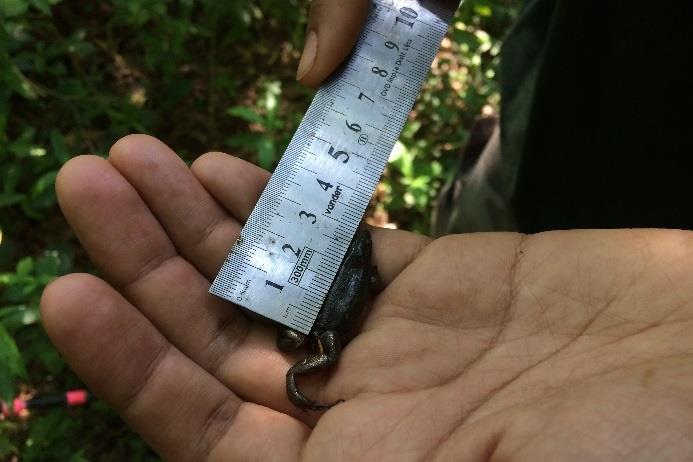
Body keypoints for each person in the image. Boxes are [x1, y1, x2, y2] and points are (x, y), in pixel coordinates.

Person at [40, 0, 693, 460]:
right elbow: (362, 273)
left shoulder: (339, 299)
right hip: (574, 73)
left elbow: (362, 272)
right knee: (476, 218)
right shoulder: (341, 296)